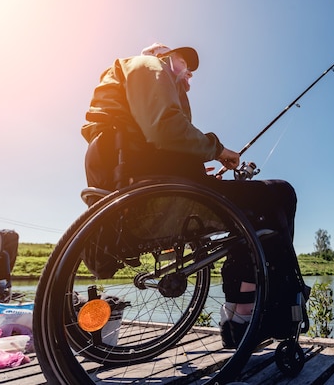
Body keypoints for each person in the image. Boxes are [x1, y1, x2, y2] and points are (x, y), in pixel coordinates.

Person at [81, 43, 302, 347]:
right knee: (277, 194)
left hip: (145, 195)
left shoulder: (130, 89)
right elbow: (165, 128)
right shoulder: (149, 67)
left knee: (255, 201)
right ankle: (244, 313)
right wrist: (217, 149)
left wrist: (197, 175)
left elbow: (153, 147)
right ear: (163, 57)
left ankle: (243, 312)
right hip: (156, 202)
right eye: (184, 63)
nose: (189, 74)